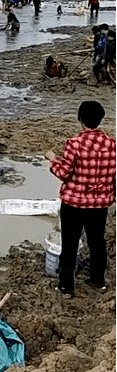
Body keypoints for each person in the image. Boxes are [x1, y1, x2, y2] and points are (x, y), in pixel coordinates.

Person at [45, 101, 116, 295]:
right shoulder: (112, 144)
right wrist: (111, 195)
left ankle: (66, 286)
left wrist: (52, 159)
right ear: (100, 120)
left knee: (70, 245)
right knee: (97, 242)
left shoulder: (74, 143)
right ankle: (97, 280)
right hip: (99, 204)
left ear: (80, 120)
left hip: (74, 204)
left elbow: (63, 173)